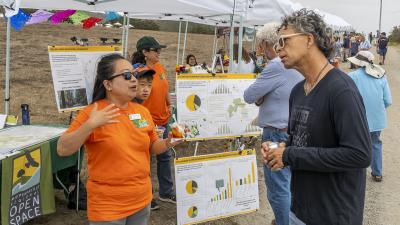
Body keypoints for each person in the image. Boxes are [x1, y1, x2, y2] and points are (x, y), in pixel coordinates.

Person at [264, 9, 371, 225]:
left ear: (309, 39)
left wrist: (291, 155)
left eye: (284, 41)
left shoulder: (342, 90)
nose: (278, 48)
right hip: (300, 210)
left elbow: (359, 155)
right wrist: (279, 150)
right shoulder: (297, 92)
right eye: (277, 43)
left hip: (334, 215)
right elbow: (301, 144)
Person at [57, 54, 180, 225]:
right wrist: (90, 125)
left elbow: (152, 146)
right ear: (108, 84)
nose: (134, 80)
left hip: (142, 199)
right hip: (108, 205)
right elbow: (63, 149)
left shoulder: (141, 111)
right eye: (127, 75)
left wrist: (168, 142)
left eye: (134, 74)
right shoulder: (92, 113)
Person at [243, 22, 303, 225]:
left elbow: (249, 95)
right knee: (291, 184)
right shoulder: (297, 62)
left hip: (276, 133)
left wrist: (263, 95)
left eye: (260, 44)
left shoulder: (277, 65)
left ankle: (283, 221)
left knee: (278, 187)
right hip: (295, 130)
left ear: (265, 44)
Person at [131, 36, 177, 208]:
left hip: (162, 120)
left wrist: (169, 103)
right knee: (145, 160)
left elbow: (164, 86)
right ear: (144, 52)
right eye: (155, 50)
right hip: (146, 122)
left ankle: (166, 192)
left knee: (165, 156)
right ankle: (146, 198)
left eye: (159, 49)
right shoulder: (137, 71)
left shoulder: (159, 67)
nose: (159, 52)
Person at [348, 51, 392, 182]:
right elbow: (388, 100)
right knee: (375, 143)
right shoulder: (381, 75)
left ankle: (357, 174)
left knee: (356, 144)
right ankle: (377, 172)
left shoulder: (352, 76)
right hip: (377, 118)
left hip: (358, 117)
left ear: (358, 63)